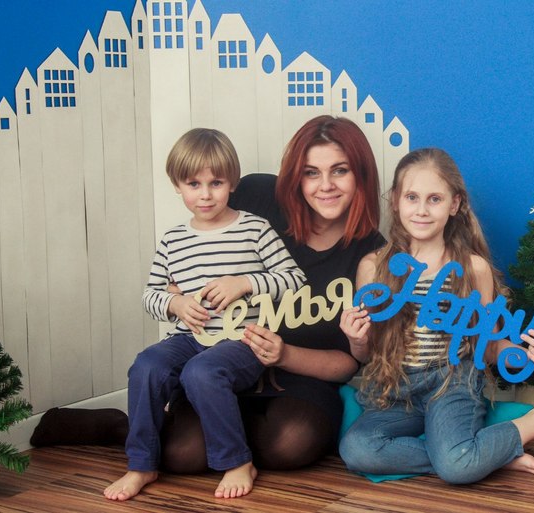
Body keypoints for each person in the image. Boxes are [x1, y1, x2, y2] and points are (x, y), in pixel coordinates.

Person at [338, 147, 534, 484]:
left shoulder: (473, 269)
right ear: (396, 200)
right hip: (397, 387)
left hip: (451, 382)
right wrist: (356, 340)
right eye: (412, 197)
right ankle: (484, 453)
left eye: (434, 199)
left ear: (454, 204)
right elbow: (367, 353)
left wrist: (532, 358)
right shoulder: (373, 268)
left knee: (456, 467)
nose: (422, 210)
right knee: (356, 449)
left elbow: (489, 346)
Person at [158, 115, 385, 474]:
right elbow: (196, 245)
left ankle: (227, 442)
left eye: (339, 171)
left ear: (361, 175)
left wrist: (283, 354)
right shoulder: (258, 197)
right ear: (296, 176)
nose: (325, 185)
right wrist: (180, 294)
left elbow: (348, 363)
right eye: (311, 173)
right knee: (181, 455)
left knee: (290, 443)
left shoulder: (372, 255)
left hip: (300, 381)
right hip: (220, 368)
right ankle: (125, 427)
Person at [103, 128, 306, 501]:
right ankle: (141, 464)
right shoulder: (173, 240)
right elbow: (150, 295)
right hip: (188, 338)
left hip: (243, 341)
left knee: (203, 371)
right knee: (146, 365)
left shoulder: (255, 229)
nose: (206, 194)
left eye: (216, 182)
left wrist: (245, 282)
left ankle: (237, 461)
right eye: (193, 184)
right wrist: (176, 304)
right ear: (177, 185)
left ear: (232, 183)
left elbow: (294, 279)